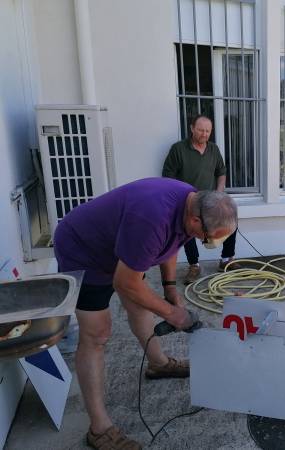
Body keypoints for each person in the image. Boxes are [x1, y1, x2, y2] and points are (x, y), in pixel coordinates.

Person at [53, 177, 237, 450]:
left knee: (140, 303)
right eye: (209, 239)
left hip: (120, 245)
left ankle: (158, 364)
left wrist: (170, 288)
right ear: (197, 221)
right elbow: (125, 282)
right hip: (84, 250)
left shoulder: (191, 202)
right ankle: (99, 429)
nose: (208, 243)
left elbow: (172, 244)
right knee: (97, 334)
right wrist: (173, 314)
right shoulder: (151, 219)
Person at [163, 115, 240, 284]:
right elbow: (167, 176)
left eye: (208, 131)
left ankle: (226, 259)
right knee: (188, 230)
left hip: (210, 200)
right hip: (188, 201)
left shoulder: (214, 149)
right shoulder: (178, 149)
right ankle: (194, 265)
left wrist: (219, 194)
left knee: (230, 220)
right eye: (200, 130)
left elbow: (221, 172)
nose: (204, 134)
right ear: (192, 128)